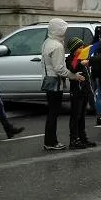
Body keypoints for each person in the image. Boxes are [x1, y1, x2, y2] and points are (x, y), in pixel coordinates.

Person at [40, 18, 85, 151]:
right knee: (53, 113)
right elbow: (59, 68)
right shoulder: (57, 46)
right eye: (63, 29)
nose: (65, 32)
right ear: (59, 30)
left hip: (48, 79)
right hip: (55, 81)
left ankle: (49, 140)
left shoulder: (47, 42)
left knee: (51, 113)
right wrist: (74, 76)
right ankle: (51, 142)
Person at [65, 37, 96, 149]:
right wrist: (81, 63)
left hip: (84, 91)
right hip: (76, 92)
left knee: (82, 116)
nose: (82, 49)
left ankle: (83, 138)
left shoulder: (82, 57)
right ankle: (74, 140)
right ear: (74, 49)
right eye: (80, 47)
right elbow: (73, 68)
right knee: (76, 116)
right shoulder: (71, 59)